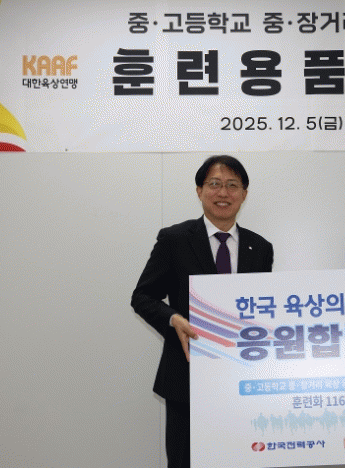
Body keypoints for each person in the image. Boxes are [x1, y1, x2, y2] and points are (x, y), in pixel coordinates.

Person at [131, 155, 274, 468]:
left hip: (242, 382)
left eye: (232, 185)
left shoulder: (261, 248)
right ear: (199, 191)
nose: (223, 193)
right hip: (186, 378)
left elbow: (264, 310)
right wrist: (173, 319)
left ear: (244, 194)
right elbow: (142, 296)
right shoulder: (174, 240)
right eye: (215, 184)